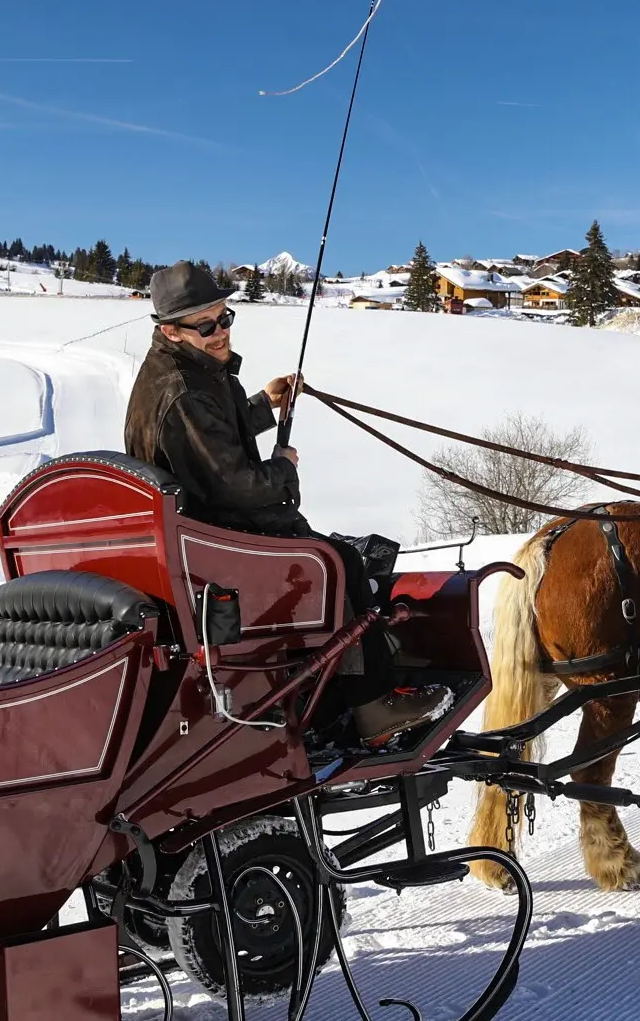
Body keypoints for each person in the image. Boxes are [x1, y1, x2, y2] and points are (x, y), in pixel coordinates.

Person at [123, 261, 450, 747]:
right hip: (220, 539)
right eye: (206, 325)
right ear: (170, 329)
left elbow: (211, 442)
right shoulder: (183, 391)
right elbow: (236, 483)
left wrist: (261, 403)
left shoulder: (185, 373)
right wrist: (283, 467)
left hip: (205, 535)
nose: (220, 333)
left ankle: (333, 689)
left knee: (343, 559)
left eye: (225, 317)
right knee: (338, 565)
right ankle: (373, 704)